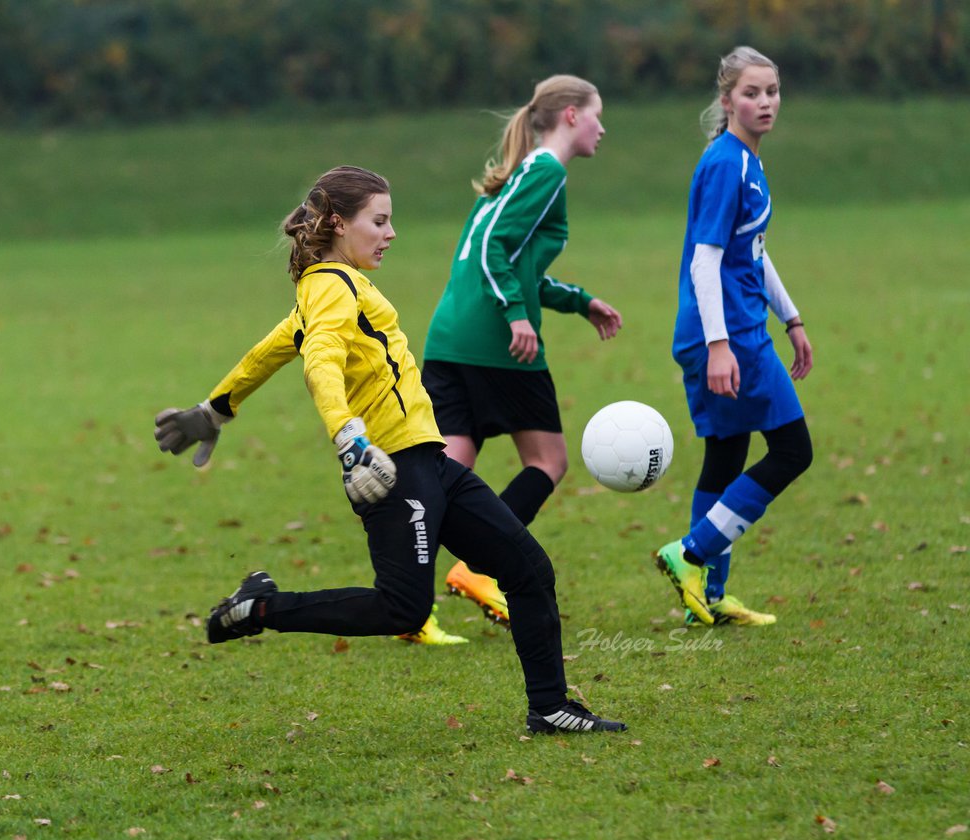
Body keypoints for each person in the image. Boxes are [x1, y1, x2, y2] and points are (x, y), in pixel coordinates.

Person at [154, 165, 624, 734]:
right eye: (379, 221)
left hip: (431, 462)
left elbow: (272, 349)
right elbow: (319, 363)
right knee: (403, 607)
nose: (391, 233)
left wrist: (215, 409)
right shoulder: (330, 286)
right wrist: (350, 438)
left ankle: (550, 708)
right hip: (392, 469)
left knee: (527, 569)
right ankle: (260, 607)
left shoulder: (331, 287)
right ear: (337, 224)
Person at [413, 75, 624, 642]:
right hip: (496, 346)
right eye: (597, 114)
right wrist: (517, 316)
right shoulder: (546, 172)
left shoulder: (522, 171)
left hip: (450, 337)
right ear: (572, 116)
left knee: (444, 477)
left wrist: (576, 301)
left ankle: (408, 607)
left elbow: (511, 262)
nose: (603, 127)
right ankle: (480, 570)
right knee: (549, 461)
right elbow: (493, 251)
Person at [654, 47, 814, 626]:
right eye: (751, 93)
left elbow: (753, 253)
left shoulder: (744, 159)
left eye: (772, 91)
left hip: (729, 328)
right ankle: (691, 554)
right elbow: (705, 260)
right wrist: (721, 344)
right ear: (727, 101)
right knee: (794, 451)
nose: (765, 102)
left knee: (725, 457)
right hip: (731, 334)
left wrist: (791, 317)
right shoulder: (728, 162)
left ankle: (709, 599)